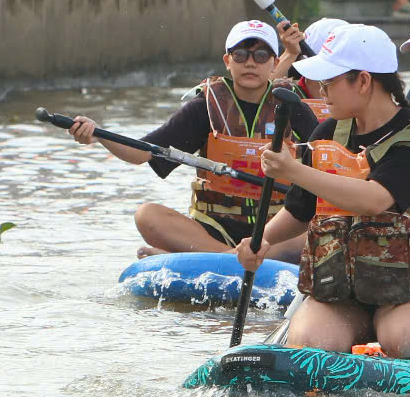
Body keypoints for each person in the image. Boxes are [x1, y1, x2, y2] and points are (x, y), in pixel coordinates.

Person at [238, 24, 410, 360]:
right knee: (309, 343)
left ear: (364, 81)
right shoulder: (328, 133)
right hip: (343, 291)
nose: (322, 91)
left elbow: (375, 199)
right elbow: (300, 210)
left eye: (330, 82)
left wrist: (294, 169)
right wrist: (261, 240)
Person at [66, 19, 322, 254]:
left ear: (275, 63)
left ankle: (214, 257)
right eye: (241, 55)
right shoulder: (205, 107)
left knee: (318, 228)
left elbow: (326, 159)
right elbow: (142, 152)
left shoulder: (291, 105)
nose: (251, 63)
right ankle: (231, 256)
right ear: (227, 61)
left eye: (261, 55)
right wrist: (99, 135)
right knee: (147, 215)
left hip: (276, 231)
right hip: (215, 228)